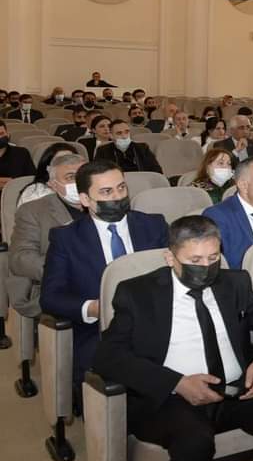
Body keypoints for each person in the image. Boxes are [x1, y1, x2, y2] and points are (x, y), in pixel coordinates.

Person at [92, 215, 253, 461]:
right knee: (194, 440)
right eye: (195, 260)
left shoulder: (235, 283)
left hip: (233, 389)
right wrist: (176, 383)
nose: (206, 267)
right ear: (171, 258)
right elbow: (108, 356)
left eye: (213, 258)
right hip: (170, 398)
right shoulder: (137, 293)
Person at [40, 161, 170, 389]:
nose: (117, 197)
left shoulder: (154, 225)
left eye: (121, 188)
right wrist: (93, 308)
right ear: (85, 199)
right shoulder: (66, 238)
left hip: (158, 322)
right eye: (106, 192)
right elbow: (51, 297)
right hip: (101, 331)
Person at [9, 153, 87, 324]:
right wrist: (70, 270)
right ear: (53, 184)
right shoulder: (33, 211)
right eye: (70, 177)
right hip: (59, 286)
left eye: (84, 175)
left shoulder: (106, 204)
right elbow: (21, 258)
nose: (79, 182)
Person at [16, 142, 79, 207]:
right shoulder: (35, 193)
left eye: (71, 161)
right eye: (59, 162)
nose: (66, 166)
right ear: (48, 168)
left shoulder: (80, 186)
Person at [95, 119, 164, 174]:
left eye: (127, 132)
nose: (124, 136)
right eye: (119, 133)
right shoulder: (103, 151)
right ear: (111, 135)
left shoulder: (142, 148)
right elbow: (98, 173)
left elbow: (157, 171)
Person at [0, 121, 35, 191]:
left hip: (18, 194)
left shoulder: (22, 153)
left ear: (8, 134)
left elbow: (31, 179)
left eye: (1, 134)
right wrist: (10, 182)